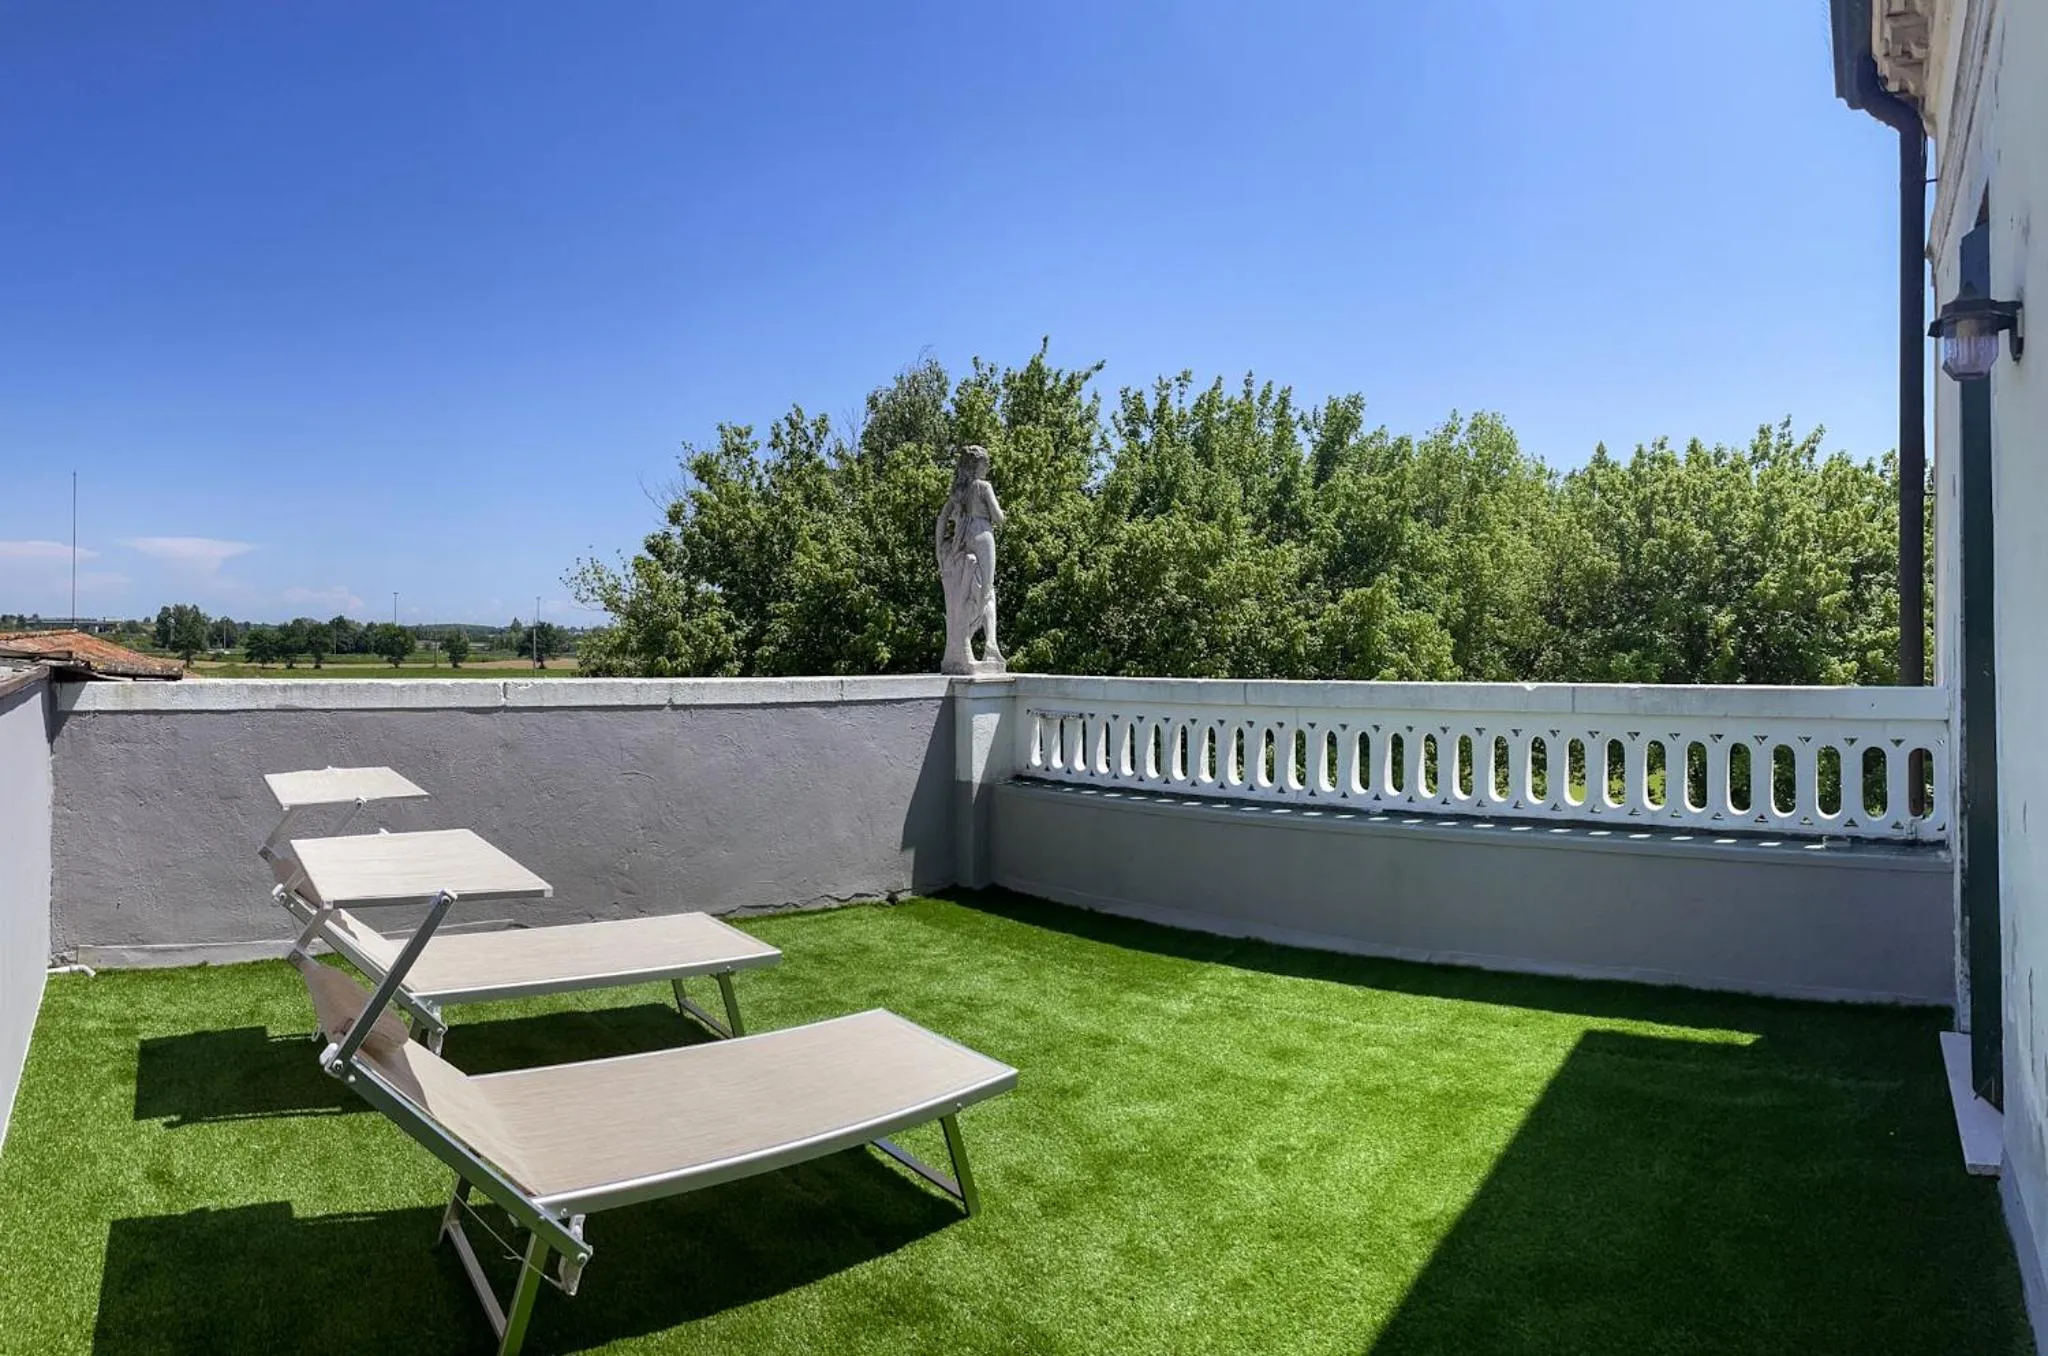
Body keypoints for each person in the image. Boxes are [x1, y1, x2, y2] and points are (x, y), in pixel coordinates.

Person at [935, 444, 1006, 673]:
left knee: (971, 587)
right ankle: (990, 644)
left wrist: (939, 547)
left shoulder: (959, 491)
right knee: (987, 590)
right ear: (977, 465)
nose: (988, 466)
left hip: (964, 536)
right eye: (985, 462)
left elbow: (943, 517)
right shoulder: (983, 487)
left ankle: (981, 642)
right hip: (983, 535)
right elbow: (999, 517)